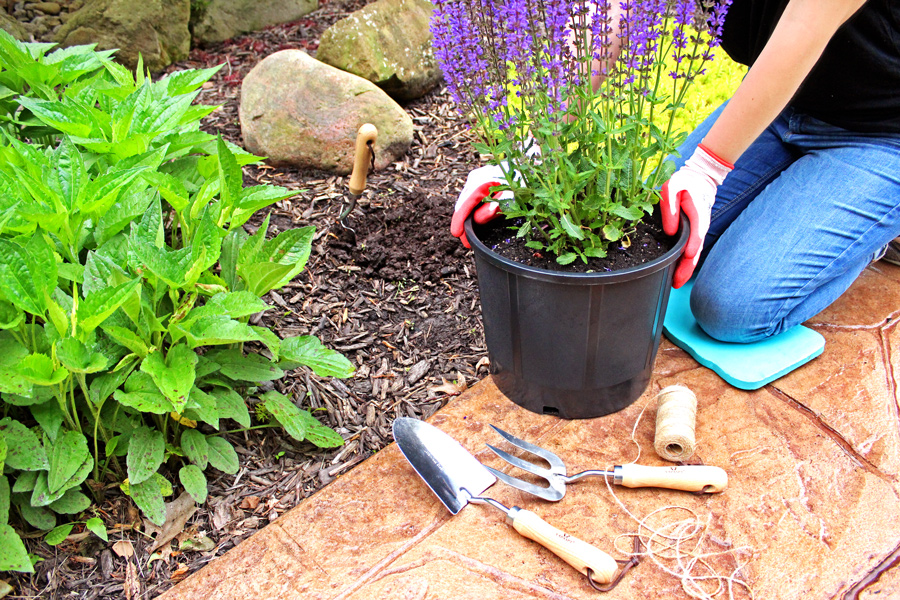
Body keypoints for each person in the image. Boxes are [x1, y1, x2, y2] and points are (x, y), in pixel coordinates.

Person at [451, 0, 900, 344]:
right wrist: (531, 150)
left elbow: (806, 26)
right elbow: (614, 10)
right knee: (656, 237)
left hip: (884, 129)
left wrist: (708, 169)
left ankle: (874, 230)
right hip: (783, 105)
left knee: (730, 308)